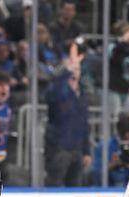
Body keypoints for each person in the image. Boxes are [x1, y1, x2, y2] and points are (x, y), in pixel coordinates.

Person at [44, 43, 91, 187]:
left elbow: (84, 124)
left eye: (78, 69)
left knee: (76, 187)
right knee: (55, 185)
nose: (75, 71)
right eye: (73, 68)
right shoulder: (59, 91)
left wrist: (86, 151)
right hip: (59, 149)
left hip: (77, 149)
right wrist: (67, 70)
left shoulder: (82, 95)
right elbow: (52, 94)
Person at [92, 113, 129, 188]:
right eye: (123, 138)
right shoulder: (104, 147)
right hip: (109, 186)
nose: (126, 142)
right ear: (118, 133)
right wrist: (111, 165)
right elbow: (95, 174)